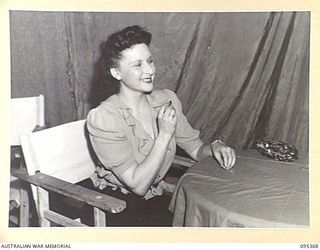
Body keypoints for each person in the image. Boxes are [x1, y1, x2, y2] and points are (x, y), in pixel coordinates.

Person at [86, 25, 236, 226]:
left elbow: (196, 149)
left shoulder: (166, 100)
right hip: (115, 205)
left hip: (154, 198)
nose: (149, 70)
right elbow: (138, 185)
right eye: (137, 65)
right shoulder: (103, 118)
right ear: (116, 72)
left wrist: (216, 146)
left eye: (150, 61)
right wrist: (164, 135)